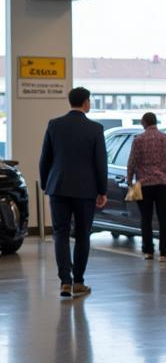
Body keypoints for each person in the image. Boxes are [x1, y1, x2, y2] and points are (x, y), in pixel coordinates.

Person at [38, 86, 107, 298]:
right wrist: (102, 190)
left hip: (58, 187)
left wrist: (45, 183)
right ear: (86, 102)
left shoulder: (54, 125)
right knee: (83, 235)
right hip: (86, 190)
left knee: (60, 233)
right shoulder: (95, 128)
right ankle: (78, 282)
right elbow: (100, 162)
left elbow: (45, 159)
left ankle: (65, 282)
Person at [126, 112, 166, 261]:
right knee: (164, 218)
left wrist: (129, 180)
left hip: (144, 185)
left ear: (144, 123)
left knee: (146, 218)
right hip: (163, 184)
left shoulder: (138, 140)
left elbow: (132, 161)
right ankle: (164, 252)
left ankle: (148, 251)